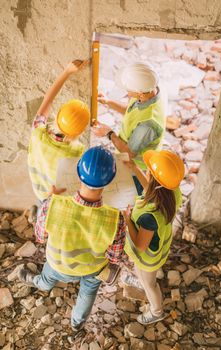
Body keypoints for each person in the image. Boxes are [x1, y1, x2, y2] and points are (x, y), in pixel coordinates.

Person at [19, 146, 126, 331]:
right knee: (87, 295)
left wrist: (48, 199)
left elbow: (40, 237)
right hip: (92, 270)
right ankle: (77, 324)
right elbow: (115, 258)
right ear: (110, 180)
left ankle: (37, 283)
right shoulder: (116, 219)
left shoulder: (53, 204)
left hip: (57, 264)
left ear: (78, 174)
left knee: (46, 279)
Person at [122, 150, 184, 325]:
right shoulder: (171, 191)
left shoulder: (150, 216)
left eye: (149, 170)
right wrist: (134, 168)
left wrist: (127, 220)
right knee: (141, 273)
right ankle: (141, 280)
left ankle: (157, 311)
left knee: (150, 284)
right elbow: (151, 185)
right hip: (158, 249)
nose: (147, 170)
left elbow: (140, 246)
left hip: (149, 258)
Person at [28, 60, 90, 223]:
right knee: (50, 222)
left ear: (58, 114)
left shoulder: (38, 132)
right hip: (58, 201)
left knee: (42, 206)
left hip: (39, 191)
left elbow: (47, 101)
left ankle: (38, 214)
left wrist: (67, 71)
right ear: (81, 132)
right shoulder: (76, 152)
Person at [92, 62, 166, 194]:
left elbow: (129, 153)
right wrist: (109, 102)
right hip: (130, 150)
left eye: (128, 90)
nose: (127, 92)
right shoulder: (151, 92)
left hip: (136, 167)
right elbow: (131, 110)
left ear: (141, 94)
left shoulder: (148, 124)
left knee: (124, 194)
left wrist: (109, 133)